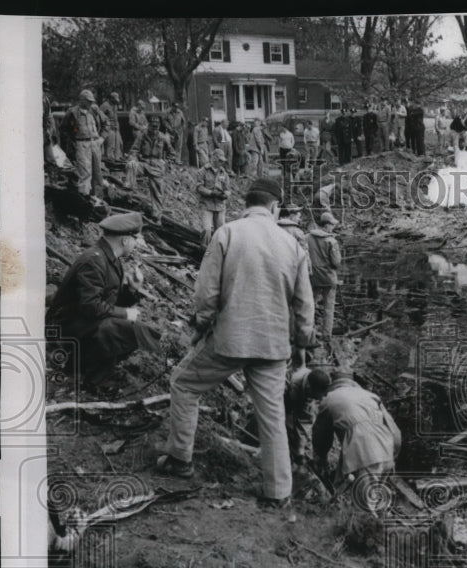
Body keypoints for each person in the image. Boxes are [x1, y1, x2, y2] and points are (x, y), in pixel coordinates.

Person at [156, 178, 314, 509]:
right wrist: (301, 344)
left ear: (247, 204)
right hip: (273, 346)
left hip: (230, 340)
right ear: (274, 208)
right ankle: (277, 492)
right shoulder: (293, 245)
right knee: (272, 414)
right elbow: (304, 306)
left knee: (184, 384)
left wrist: (202, 323)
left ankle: (180, 459)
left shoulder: (227, 233)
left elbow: (206, 292)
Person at [46, 212, 161, 385]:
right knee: (119, 329)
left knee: (127, 328)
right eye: (136, 238)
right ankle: (89, 377)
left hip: (81, 322)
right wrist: (125, 313)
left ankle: (85, 368)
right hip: (64, 328)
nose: (137, 243)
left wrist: (131, 289)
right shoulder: (94, 261)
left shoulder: (109, 259)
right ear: (125, 240)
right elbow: (90, 306)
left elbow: (108, 302)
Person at [311, 371, 403, 503]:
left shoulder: (328, 399)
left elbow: (322, 435)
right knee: (376, 498)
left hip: (365, 451)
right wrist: (393, 454)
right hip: (387, 447)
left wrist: (321, 457)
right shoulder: (370, 396)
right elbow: (394, 429)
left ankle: (364, 521)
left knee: (365, 505)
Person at [307, 211, 343, 346]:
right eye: (332, 224)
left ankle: (309, 333)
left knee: (310, 305)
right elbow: (336, 263)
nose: (333, 227)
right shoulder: (331, 241)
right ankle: (326, 335)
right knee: (329, 307)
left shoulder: (307, 238)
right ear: (326, 225)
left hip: (312, 277)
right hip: (328, 278)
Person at [127, 116, 173, 219]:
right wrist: (133, 158)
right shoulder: (142, 135)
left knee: (157, 192)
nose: (154, 128)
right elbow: (134, 150)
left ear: (159, 126)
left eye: (156, 126)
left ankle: (156, 215)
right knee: (131, 165)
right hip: (144, 163)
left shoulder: (163, 137)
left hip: (157, 165)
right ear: (149, 125)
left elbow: (171, 153)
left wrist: (166, 164)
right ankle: (129, 193)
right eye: (152, 126)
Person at [61, 89, 104, 198]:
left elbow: (106, 123)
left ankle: (98, 199)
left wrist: (101, 138)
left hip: (95, 144)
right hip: (82, 144)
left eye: (91, 101)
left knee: (97, 172)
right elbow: (63, 129)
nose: (91, 103)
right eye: (88, 101)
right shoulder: (72, 112)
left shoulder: (94, 111)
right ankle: (84, 199)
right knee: (84, 173)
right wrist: (72, 144)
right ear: (82, 100)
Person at [284, 367, 332, 466]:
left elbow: (304, 420)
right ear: (309, 388)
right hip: (279, 398)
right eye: (318, 396)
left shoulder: (314, 386)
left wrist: (300, 452)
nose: (321, 398)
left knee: (297, 439)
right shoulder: (291, 383)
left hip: (293, 402)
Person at [195, 148, 230, 246]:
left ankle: (219, 253)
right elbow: (199, 187)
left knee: (221, 232)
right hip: (207, 205)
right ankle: (204, 251)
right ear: (213, 158)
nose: (221, 163)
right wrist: (211, 193)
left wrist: (225, 194)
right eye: (219, 160)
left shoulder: (224, 173)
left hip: (220, 206)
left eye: (222, 161)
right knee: (206, 230)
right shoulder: (203, 171)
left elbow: (227, 189)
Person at [99, 92, 124, 162]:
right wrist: (104, 126)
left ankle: (117, 157)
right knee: (110, 145)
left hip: (115, 128)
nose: (116, 102)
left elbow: (115, 117)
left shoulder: (115, 105)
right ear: (111, 98)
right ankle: (109, 160)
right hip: (108, 128)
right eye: (115, 99)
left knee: (119, 144)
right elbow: (99, 116)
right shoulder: (104, 105)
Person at [43, 79, 59, 167]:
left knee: (50, 156)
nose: (44, 93)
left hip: (45, 129)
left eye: (46, 91)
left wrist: (52, 131)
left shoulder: (46, 100)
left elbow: (49, 116)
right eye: (43, 90)